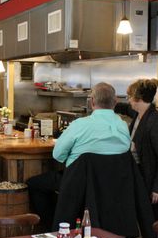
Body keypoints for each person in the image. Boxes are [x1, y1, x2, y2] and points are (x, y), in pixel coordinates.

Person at [27, 82, 131, 229]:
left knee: (35, 184)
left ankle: (55, 228)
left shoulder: (80, 124)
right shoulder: (123, 126)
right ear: (115, 102)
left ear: (92, 102)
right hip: (112, 185)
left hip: (78, 184)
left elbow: (57, 154)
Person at [122, 79, 158, 238]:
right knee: (145, 223)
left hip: (153, 181)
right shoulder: (139, 114)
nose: (128, 100)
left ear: (138, 99)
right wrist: (110, 104)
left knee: (153, 225)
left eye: (130, 97)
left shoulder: (155, 121)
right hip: (143, 177)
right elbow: (125, 108)